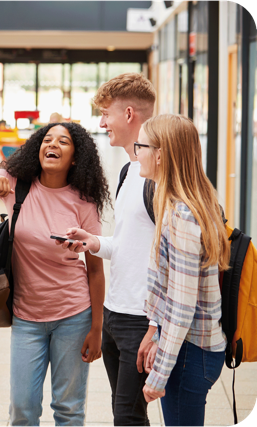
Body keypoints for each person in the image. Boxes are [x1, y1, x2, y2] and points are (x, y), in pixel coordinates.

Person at [0, 121, 109, 426]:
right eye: (47, 140)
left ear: (75, 157)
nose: (53, 145)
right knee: (22, 410)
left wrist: (97, 327)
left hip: (74, 315)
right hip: (26, 317)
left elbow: (96, 271)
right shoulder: (15, 186)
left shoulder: (84, 202)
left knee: (68, 409)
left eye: (63, 142)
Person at [60, 73, 158, 426]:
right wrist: (94, 242)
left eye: (106, 113)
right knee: (127, 416)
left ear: (129, 114)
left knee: (128, 418)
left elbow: (174, 255)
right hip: (116, 312)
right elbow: (132, 245)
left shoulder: (158, 177)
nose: (102, 122)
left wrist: (157, 326)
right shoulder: (130, 170)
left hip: (141, 317)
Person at [137, 114, 229, 426]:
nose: (137, 152)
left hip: (192, 352)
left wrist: (159, 375)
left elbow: (181, 305)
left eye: (142, 146)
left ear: (160, 155)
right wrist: (155, 331)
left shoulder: (182, 218)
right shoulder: (183, 205)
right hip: (189, 347)